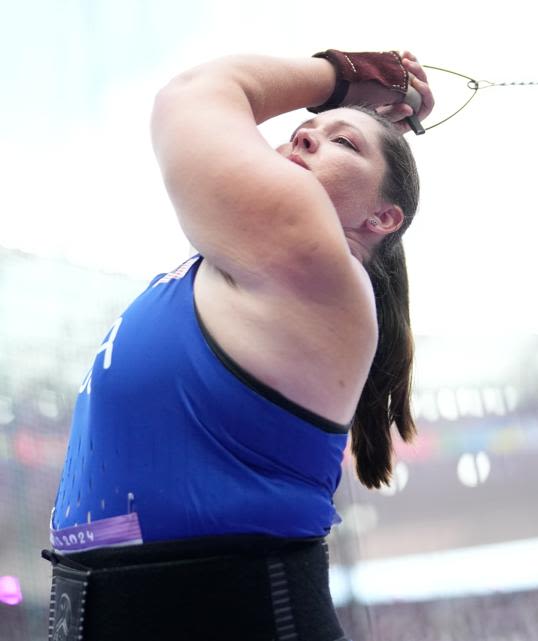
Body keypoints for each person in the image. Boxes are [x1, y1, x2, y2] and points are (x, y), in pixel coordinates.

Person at [43, 48, 434, 641]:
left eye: (343, 144)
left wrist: (347, 76)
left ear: (383, 218)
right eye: (302, 131)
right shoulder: (221, 276)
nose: (303, 138)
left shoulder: (316, 261)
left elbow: (196, 94)